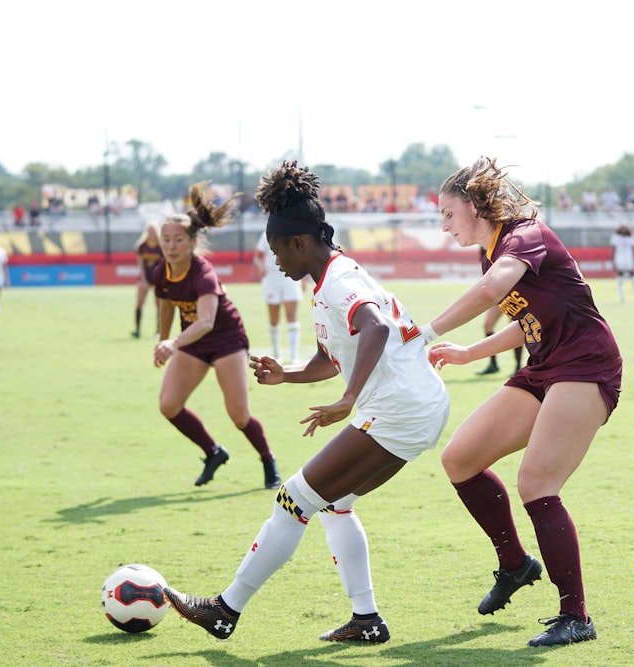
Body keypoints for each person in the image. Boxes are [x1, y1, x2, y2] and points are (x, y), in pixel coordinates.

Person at [162, 162, 450, 645]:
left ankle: (224, 610)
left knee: (293, 499)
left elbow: (375, 327)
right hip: (417, 405)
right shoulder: (327, 280)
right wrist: (288, 375)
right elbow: (333, 355)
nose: (274, 262)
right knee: (335, 504)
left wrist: (349, 399)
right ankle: (366, 619)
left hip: (400, 408)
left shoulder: (338, 281)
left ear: (299, 243)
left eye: (277, 251)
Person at [420, 156, 622, 648]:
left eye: (448, 214)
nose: (444, 227)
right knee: (460, 459)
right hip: (544, 366)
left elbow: (493, 289)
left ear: (474, 205)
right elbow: (525, 317)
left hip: (585, 364)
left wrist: (421, 332)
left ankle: (576, 616)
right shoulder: (490, 250)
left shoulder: (523, 233)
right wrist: (471, 352)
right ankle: (515, 564)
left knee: (536, 482)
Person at [152, 182, 281, 490]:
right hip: (193, 343)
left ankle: (268, 460)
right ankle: (213, 451)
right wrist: (163, 339)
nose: (171, 246)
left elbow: (207, 321)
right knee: (169, 405)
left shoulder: (203, 273)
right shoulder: (162, 272)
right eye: (166, 240)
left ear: (193, 241)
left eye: (178, 240)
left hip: (226, 341)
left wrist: (173, 343)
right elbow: (167, 306)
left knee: (239, 415)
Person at [253, 229, 304, 362]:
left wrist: (304, 278)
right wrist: (261, 267)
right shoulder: (266, 234)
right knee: (274, 319)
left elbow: (303, 256)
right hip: (271, 280)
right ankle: (276, 354)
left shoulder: (294, 231)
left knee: (291, 316)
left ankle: (294, 356)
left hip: (291, 279)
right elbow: (258, 257)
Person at [476, 249, 524, 375]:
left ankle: (518, 367)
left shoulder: (506, 243)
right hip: (498, 295)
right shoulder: (483, 246)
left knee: (515, 327)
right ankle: (493, 364)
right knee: (488, 325)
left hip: (512, 293)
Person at [132, 221, 163, 339]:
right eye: (149, 231)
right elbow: (140, 265)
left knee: (159, 305)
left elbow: (164, 265)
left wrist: (160, 281)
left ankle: (158, 330)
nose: (152, 233)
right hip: (145, 278)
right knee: (139, 303)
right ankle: (137, 329)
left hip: (157, 279)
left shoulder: (161, 246)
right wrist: (143, 280)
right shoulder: (142, 246)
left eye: (154, 230)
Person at [610, 223, 634, 304]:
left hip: (629, 259)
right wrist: (613, 261)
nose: (623, 229)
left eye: (625, 228)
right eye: (622, 228)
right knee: (620, 280)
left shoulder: (631, 238)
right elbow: (613, 250)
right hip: (619, 259)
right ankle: (622, 298)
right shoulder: (615, 238)